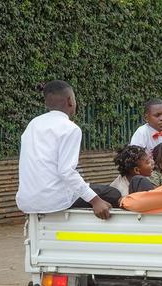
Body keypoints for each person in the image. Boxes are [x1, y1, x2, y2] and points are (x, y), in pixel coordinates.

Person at [16, 80, 119, 219]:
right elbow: (66, 171)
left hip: (27, 201)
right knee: (112, 194)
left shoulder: (33, 123)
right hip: (54, 201)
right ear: (70, 100)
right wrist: (96, 201)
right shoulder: (70, 128)